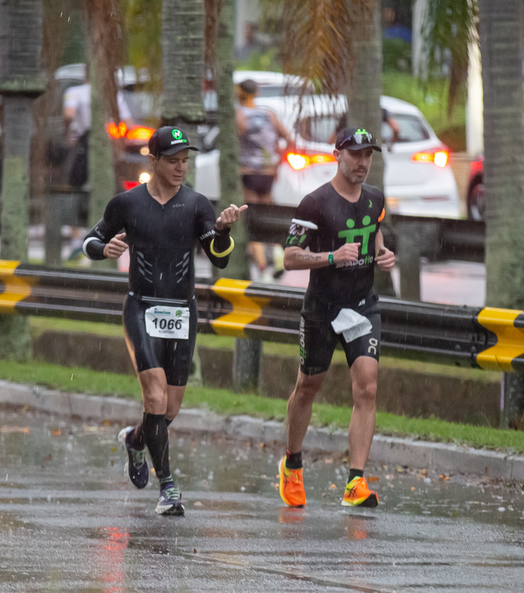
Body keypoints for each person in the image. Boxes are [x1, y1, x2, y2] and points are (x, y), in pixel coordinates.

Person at [82, 127, 246, 516]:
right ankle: (168, 487)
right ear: (152, 161)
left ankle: (137, 439)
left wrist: (221, 230)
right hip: (141, 308)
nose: (180, 167)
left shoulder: (197, 205)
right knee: (153, 396)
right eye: (172, 161)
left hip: (181, 312)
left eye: (185, 161)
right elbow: (91, 240)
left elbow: (218, 256)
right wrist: (104, 249)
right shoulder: (127, 203)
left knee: (168, 410)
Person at [277, 127, 396, 509]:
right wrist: (330, 257)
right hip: (322, 309)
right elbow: (289, 257)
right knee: (308, 387)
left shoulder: (375, 198)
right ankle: (292, 464)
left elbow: (374, 234)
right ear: (337, 155)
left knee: (368, 387)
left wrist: (382, 252)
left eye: (368, 155)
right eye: (355, 154)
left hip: (362, 304)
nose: (362, 162)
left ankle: (355, 482)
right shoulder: (315, 204)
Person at [236, 78, 293, 279]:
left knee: (251, 218)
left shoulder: (239, 115)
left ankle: (262, 267)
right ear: (256, 92)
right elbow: (289, 138)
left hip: (248, 172)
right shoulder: (269, 114)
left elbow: (236, 137)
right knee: (267, 214)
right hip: (268, 173)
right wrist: (277, 161)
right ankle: (277, 254)